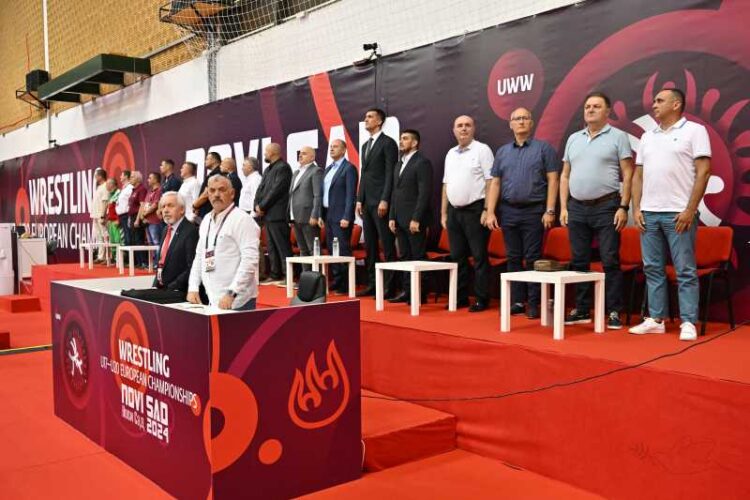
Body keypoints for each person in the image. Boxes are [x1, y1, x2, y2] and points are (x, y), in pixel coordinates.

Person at [630, 88, 711, 341]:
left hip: (679, 213)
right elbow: (638, 175)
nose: (654, 104)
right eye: (654, 100)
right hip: (649, 214)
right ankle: (656, 319)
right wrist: (636, 209)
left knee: (685, 269)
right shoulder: (647, 136)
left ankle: (688, 321)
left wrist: (690, 209)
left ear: (676, 104)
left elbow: (704, 171)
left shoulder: (695, 131)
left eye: (660, 100)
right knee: (652, 268)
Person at [560, 92, 634, 329]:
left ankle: (613, 311)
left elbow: (628, 173)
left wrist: (624, 206)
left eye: (596, 106)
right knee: (579, 260)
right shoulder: (573, 138)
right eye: (587, 106)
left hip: (607, 206)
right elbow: (565, 175)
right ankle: (582, 309)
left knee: (610, 259)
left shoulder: (618, 136)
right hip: (576, 207)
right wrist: (563, 207)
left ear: (608, 111)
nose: (590, 110)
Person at [485, 108, 559, 319]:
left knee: (533, 258)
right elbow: (495, 183)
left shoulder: (544, 149)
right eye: (516, 119)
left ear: (531, 123)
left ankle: (534, 303)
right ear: (510, 124)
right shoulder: (502, 152)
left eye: (525, 118)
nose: (521, 122)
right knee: (513, 257)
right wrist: (490, 212)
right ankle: (517, 301)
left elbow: (553, 179)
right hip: (508, 211)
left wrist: (550, 209)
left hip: (534, 210)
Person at [441, 115, 495, 312]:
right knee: (457, 257)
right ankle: (460, 297)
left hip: (476, 210)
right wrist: (443, 213)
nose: (463, 129)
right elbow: (445, 184)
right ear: (454, 130)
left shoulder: (482, 150)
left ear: (474, 129)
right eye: (459, 126)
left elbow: (491, 181)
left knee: (479, 257)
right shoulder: (450, 154)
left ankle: (481, 299)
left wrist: (487, 209)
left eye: (467, 125)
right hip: (453, 212)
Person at [188, 175, 260, 310]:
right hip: (213, 298)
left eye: (221, 190)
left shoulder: (242, 219)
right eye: (212, 190)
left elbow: (250, 260)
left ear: (232, 193)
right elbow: (199, 256)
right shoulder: (206, 220)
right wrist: (193, 287)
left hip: (237, 300)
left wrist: (232, 292)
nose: (216, 194)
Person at [355, 108, 399, 298]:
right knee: (370, 246)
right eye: (365, 117)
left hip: (381, 202)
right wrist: (359, 199)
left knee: (387, 245)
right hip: (366, 203)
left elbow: (390, 174)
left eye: (370, 117)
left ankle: (390, 286)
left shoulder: (388, 143)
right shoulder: (365, 145)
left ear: (379, 121)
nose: (366, 119)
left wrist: (385, 199)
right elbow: (364, 174)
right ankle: (373, 284)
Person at [388, 129, 433, 304]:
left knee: (418, 256)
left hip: (415, 220)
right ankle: (407, 291)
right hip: (399, 218)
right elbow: (395, 192)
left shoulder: (422, 162)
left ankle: (420, 293)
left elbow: (424, 193)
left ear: (415, 143)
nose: (401, 141)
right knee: (405, 257)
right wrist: (392, 216)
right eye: (401, 138)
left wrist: (417, 218)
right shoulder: (398, 164)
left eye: (405, 139)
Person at [319, 139, 358, 294]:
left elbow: (350, 195)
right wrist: (321, 215)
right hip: (328, 215)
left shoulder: (349, 168)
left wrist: (347, 216)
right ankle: (337, 279)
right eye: (331, 147)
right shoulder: (328, 169)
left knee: (342, 250)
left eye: (335, 147)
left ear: (343, 150)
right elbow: (323, 194)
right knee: (331, 249)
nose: (331, 149)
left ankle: (346, 283)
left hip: (341, 216)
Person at [254, 143, 293, 285]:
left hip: (278, 214)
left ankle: (288, 275)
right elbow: (260, 189)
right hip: (267, 214)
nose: (264, 154)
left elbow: (276, 190)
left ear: (273, 153)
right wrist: (256, 205)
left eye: (266, 151)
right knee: (271, 247)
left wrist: (262, 205)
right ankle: (275, 274)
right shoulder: (267, 169)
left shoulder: (283, 168)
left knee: (282, 246)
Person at [154, 192, 199, 292]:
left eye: (170, 206)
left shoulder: (191, 231)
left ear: (182, 210)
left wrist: (171, 289)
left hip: (178, 292)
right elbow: (161, 262)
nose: (165, 210)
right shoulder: (166, 229)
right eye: (163, 206)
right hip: (162, 289)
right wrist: (154, 286)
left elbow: (192, 267)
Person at [289, 146, 323, 270]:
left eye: (304, 153)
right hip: (295, 216)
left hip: (308, 216)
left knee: (313, 250)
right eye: (299, 153)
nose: (300, 155)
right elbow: (291, 195)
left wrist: (315, 215)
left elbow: (317, 195)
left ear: (312, 157)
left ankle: (316, 277)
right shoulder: (296, 172)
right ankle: (306, 277)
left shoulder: (316, 171)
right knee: (302, 250)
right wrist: (289, 215)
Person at [194, 151, 222, 221]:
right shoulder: (212, 174)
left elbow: (206, 194)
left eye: (207, 159)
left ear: (214, 160)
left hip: (210, 213)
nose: (205, 161)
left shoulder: (216, 174)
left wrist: (195, 205)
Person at [128, 171, 148, 267]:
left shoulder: (141, 189)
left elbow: (142, 205)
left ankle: (143, 262)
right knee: (134, 240)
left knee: (139, 239)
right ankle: (138, 262)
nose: (130, 178)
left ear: (138, 179)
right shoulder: (134, 190)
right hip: (132, 217)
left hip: (137, 216)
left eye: (132, 177)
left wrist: (137, 219)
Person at [89, 168, 109, 263]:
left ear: (100, 176)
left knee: (105, 236)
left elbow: (105, 202)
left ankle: (107, 257)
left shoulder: (105, 186)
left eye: (96, 176)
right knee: (99, 236)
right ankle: (101, 256)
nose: (95, 178)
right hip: (95, 215)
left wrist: (102, 215)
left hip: (101, 215)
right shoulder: (99, 187)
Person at [140, 172, 163, 248]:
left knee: (156, 242)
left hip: (155, 221)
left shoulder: (159, 190)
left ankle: (158, 256)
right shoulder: (149, 191)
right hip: (147, 222)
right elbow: (145, 204)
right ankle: (153, 257)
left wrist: (145, 214)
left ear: (155, 180)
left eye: (150, 178)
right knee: (150, 243)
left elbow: (155, 205)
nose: (148, 180)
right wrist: (142, 216)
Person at [116, 171, 133, 261]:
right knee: (125, 237)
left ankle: (131, 259)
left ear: (126, 176)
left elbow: (131, 202)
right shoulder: (124, 188)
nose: (120, 177)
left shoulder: (130, 188)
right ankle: (127, 259)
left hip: (127, 215)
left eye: (121, 175)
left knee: (128, 236)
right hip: (121, 216)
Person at [104, 178, 121, 250]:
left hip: (116, 221)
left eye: (107, 184)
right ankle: (114, 256)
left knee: (118, 241)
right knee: (112, 242)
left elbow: (120, 207)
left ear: (112, 184)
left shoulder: (119, 193)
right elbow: (109, 209)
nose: (106, 186)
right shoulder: (110, 195)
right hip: (110, 221)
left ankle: (119, 256)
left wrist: (118, 219)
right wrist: (107, 219)